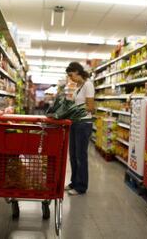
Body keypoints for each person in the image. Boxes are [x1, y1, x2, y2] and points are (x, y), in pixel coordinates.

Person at [64, 62, 95, 195]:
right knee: (73, 155)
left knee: (80, 156)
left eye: (71, 75)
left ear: (77, 71)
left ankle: (81, 186)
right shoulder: (78, 86)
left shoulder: (88, 84)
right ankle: (74, 182)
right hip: (76, 123)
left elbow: (90, 107)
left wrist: (74, 110)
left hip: (83, 124)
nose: (71, 78)